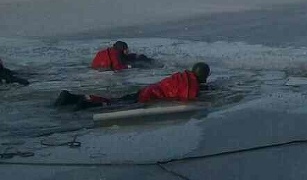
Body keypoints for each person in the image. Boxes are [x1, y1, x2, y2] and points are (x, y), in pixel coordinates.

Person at [55, 62, 210, 109]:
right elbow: (188, 99)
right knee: (113, 104)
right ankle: (85, 102)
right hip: (147, 97)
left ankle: (72, 97)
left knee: (116, 100)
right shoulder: (191, 87)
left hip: (147, 91)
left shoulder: (183, 76)